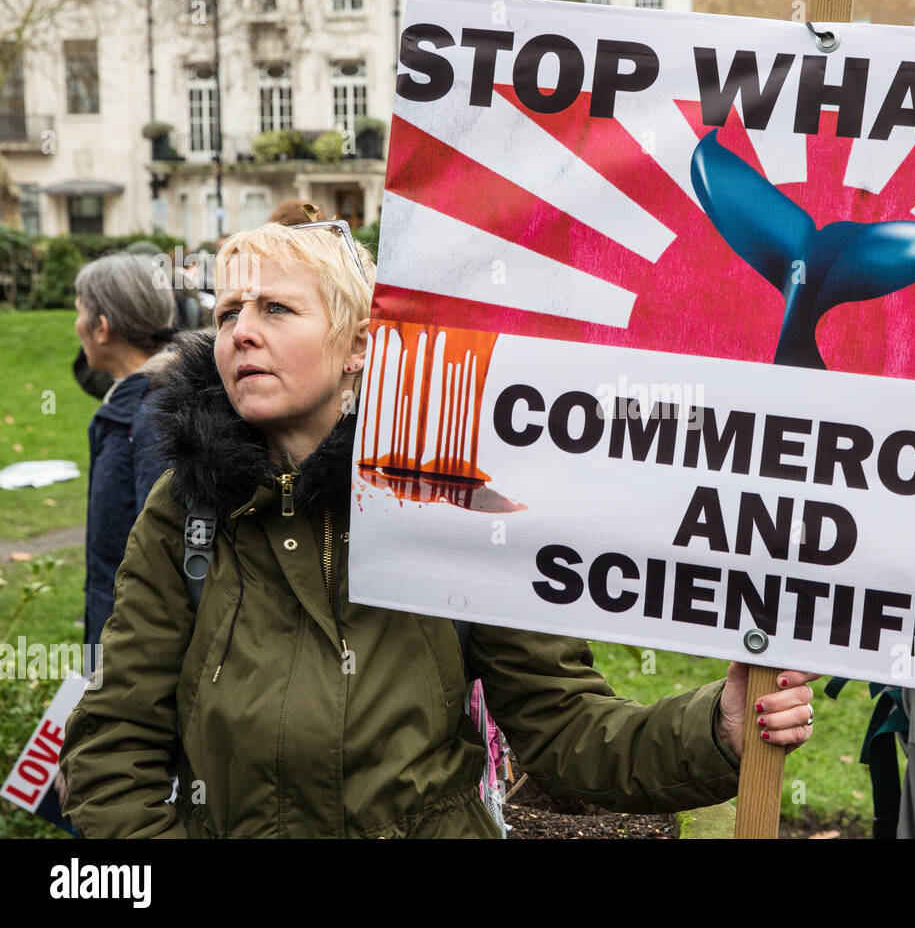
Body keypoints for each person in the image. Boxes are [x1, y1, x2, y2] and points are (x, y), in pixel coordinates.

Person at [59, 221, 819, 838]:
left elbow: (563, 728)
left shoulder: (454, 503)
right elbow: (113, 748)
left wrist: (715, 730)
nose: (242, 334)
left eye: (277, 310)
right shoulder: (184, 511)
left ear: (360, 345)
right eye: (228, 314)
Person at [73, 254, 177, 651]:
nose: (76, 326)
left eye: (79, 313)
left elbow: (161, 562)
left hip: (134, 652)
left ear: (101, 328)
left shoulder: (152, 414)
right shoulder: (138, 401)